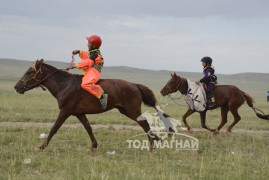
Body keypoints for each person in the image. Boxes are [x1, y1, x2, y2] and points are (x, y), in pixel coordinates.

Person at [66, 35, 108, 110]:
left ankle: (102, 96)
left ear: (93, 45)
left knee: (85, 84)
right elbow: (86, 55)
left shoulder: (95, 54)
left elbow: (87, 62)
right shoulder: (93, 53)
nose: (87, 44)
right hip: (90, 71)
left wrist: (74, 66)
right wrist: (79, 52)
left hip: (94, 72)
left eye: (89, 43)